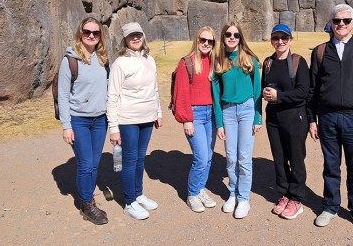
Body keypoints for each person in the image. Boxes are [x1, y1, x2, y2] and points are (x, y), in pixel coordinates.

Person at [307, 4, 353, 233]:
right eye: (337, 21)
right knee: (330, 166)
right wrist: (312, 119)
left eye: (346, 20)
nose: (341, 24)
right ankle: (330, 206)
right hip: (328, 119)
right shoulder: (320, 51)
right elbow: (312, 89)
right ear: (330, 23)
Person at [107, 22, 163, 220]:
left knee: (140, 158)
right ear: (125, 39)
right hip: (128, 119)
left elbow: (154, 89)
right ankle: (129, 201)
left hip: (147, 118)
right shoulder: (120, 63)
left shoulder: (150, 59)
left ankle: (138, 194)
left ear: (143, 36)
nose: (136, 38)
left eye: (138, 34)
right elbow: (112, 97)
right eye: (131, 36)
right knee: (130, 160)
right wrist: (114, 128)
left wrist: (158, 112)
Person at [57, 17, 109, 225]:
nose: (91, 36)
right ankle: (87, 204)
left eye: (95, 33)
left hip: (100, 120)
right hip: (79, 119)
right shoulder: (70, 59)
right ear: (81, 33)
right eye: (87, 32)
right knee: (86, 163)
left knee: (94, 163)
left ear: (100, 36)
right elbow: (62, 95)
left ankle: (87, 197)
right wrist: (66, 126)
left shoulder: (103, 58)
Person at [212, 22, 262, 219]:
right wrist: (220, 123)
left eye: (236, 35)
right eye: (228, 34)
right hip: (228, 112)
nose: (232, 37)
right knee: (231, 157)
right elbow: (216, 96)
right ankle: (232, 193)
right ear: (223, 37)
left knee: (244, 157)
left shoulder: (249, 60)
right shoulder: (219, 62)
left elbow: (257, 90)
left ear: (240, 38)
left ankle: (243, 198)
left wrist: (258, 117)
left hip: (247, 109)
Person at [261, 24, 310, 220]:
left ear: (290, 40)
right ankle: (284, 194)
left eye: (284, 38)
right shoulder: (267, 63)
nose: (280, 42)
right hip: (273, 118)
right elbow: (265, 85)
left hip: (295, 117)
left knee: (296, 159)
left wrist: (278, 96)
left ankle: (297, 199)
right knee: (279, 158)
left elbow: (303, 92)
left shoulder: (299, 62)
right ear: (271, 40)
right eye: (276, 38)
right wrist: (266, 93)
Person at [172, 26, 218, 213]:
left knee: (208, 157)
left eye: (210, 41)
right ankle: (192, 193)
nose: (206, 44)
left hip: (211, 114)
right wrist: (186, 119)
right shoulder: (186, 62)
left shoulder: (214, 62)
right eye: (202, 40)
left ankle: (200, 189)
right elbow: (181, 92)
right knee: (201, 157)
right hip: (195, 115)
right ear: (196, 40)